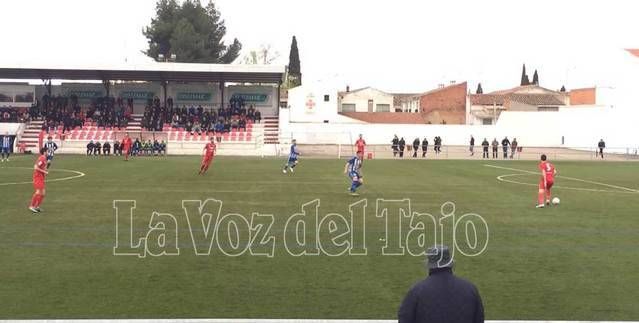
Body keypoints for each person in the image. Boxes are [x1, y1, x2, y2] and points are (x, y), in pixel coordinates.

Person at [398, 245, 484, 323]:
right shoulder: (470, 289)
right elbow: (479, 319)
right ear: (450, 264)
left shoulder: (416, 291)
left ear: (429, 266)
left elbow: (404, 319)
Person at [29, 147, 49, 213]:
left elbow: (42, 167)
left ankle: (37, 206)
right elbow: (36, 167)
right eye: (47, 151)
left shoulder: (45, 158)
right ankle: (31, 206)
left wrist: (46, 168)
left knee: (43, 193)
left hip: (41, 178)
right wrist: (44, 172)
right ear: (44, 152)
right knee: (38, 192)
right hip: (37, 177)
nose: (48, 152)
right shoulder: (42, 158)